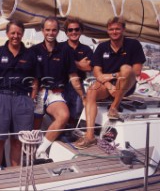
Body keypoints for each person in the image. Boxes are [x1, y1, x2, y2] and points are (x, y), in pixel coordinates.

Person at [74, 16, 146, 149]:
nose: (114, 32)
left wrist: (113, 75)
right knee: (91, 91)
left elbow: (136, 71)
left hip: (126, 85)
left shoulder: (133, 45)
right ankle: (90, 136)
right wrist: (108, 84)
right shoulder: (102, 47)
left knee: (126, 69)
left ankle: (114, 106)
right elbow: (96, 72)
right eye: (111, 29)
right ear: (107, 31)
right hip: (106, 86)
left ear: (123, 29)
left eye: (117, 29)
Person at [0, 19, 39, 166]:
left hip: (22, 99)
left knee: (17, 141)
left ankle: (14, 176)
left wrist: (31, 100)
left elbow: (35, 80)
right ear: (7, 33)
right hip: (1, 98)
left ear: (23, 34)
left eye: (19, 33)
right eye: (13, 33)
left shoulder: (30, 55)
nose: (15, 36)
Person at [31, 16, 85, 160]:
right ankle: (30, 154)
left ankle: (41, 151)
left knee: (64, 116)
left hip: (56, 94)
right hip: (37, 94)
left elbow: (73, 76)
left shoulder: (65, 50)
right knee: (34, 126)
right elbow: (31, 77)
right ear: (42, 31)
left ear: (58, 31)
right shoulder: (34, 50)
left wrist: (83, 96)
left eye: (54, 30)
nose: (50, 33)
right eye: (47, 30)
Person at [61, 17, 93, 127]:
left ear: (81, 31)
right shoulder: (60, 47)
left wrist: (68, 62)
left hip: (79, 86)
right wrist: (80, 64)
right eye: (70, 30)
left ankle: (72, 136)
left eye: (76, 29)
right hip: (62, 85)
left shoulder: (86, 49)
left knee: (76, 115)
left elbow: (89, 67)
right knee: (62, 116)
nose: (73, 32)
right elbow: (57, 66)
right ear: (66, 32)